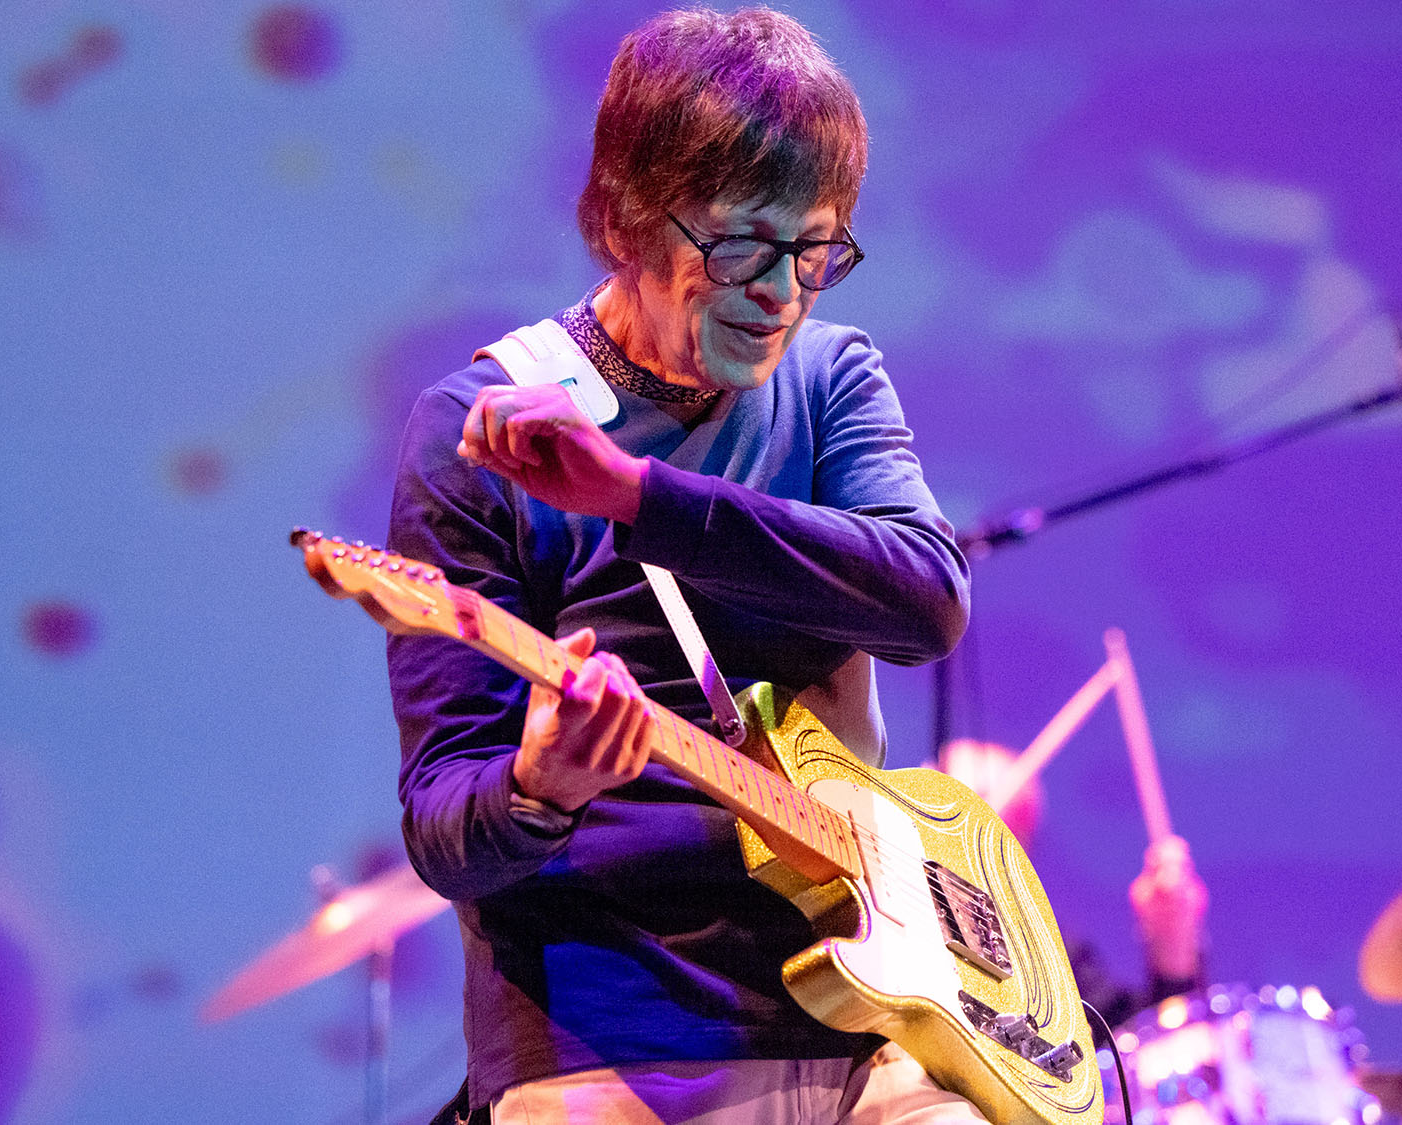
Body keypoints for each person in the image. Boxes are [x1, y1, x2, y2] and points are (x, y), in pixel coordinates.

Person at [386, 8, 986, 1122]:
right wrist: (540, 785)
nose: (783, 291)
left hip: (874, 1008)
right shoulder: (478, 430)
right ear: (621, 219)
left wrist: (637, 498)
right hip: (610, 1040)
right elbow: (441, 825)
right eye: (740, 245)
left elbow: (926, 599)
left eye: (815, 249)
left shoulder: (831, 379)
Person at [934, 740, 1209, 1026]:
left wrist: (1172, 956)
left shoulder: (1048, 959)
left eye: (977, 807)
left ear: (1017, 847)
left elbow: (1123, 1052)